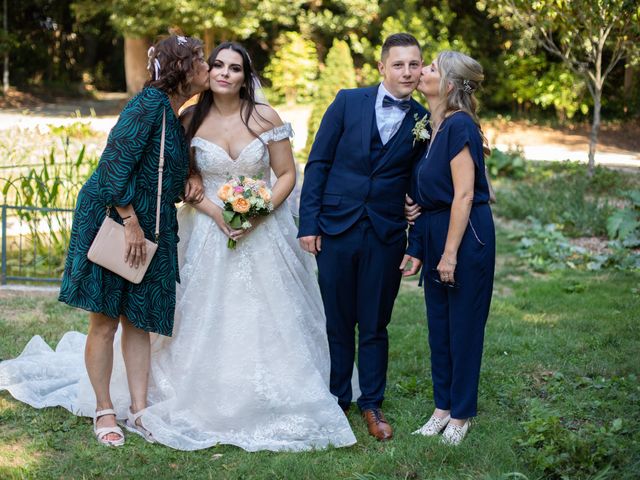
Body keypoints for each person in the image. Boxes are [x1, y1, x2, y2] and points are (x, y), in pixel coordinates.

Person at [0, 34, 210, 447]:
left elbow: (167, 165)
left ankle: (140, 411)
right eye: (200, 60)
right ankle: (104, 410)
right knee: (105, 320)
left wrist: (192, 176)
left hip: (153, 226)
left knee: (140, 320)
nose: (207, 66)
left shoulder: (176, 111)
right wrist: (130, 220)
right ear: (181, 69)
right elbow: (114, 163)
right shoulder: (148, 104)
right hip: (114, 219)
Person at [298, 33, 428, 441]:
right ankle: (338, 400)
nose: (407, 72)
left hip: (386, 232)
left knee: (374, 322)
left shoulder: (423, 119)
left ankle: (372, 403)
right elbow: (318, 163)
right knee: (337, 320)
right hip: (336, 226)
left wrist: (414, 212)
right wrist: (309, 224)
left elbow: (421, 178)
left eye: (414, 65)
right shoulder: (347, 102)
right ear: (382, 68)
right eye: (399, 64)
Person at [403, 51, 495, 445]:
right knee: (439, 327)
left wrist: (450, 253)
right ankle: (442, 408)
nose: (421, 72)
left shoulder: (460, 127)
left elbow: (463, 195)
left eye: (430, 68)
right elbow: (429, 195)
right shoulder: (431, 126)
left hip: (466, 235)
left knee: (464, 328)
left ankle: (461, 415)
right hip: (436, 229)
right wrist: (420, 244)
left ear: (450, 85)